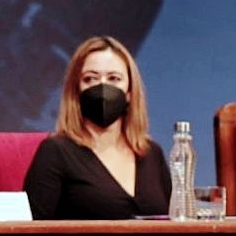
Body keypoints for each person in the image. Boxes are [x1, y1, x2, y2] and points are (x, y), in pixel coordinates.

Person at [22, 36, 170, 219]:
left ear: (130, 92)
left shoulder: (151, 154)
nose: (102, 86)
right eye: (90, 78)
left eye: (114, 78)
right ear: (76, 91)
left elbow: (175, 223)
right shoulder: (55, 152)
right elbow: (30, 232)